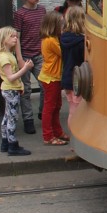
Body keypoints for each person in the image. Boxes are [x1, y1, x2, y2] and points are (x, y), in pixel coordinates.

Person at [12, 0, 46, 134]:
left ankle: (42, 111)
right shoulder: (20, 14)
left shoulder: (42, 10)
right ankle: (28, 119)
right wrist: (19, 58)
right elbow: (16, 37)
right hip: (25, 54)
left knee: (45, 84)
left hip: (39, 54)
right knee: (25, 90)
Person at [0, 27, 33, 156]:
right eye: (12, 36)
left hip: (11, 90)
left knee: (7, 117)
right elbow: (11, 77)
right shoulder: (4, 57)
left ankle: (6, 142)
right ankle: (12, 144)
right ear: (3, 39)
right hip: (11, 90)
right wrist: (26, 68)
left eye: (16, 36)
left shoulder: (8, 54)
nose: (15, 38)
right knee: (12, 118)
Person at [37, 11, 67, 145]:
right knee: (50, 107)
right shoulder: (51, 41)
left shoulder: (49, 39)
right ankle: (48, 135)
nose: (63, 26)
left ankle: (57, 131)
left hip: (53, 76)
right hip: (51, 77)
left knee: (56, 105)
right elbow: (63, 52)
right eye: (61, 24)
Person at [59, 5, 86, 107]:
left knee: (71, 108)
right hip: (78, 78)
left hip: (66, 77)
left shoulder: (63, 38)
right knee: (78, 110)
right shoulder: (81, 42)